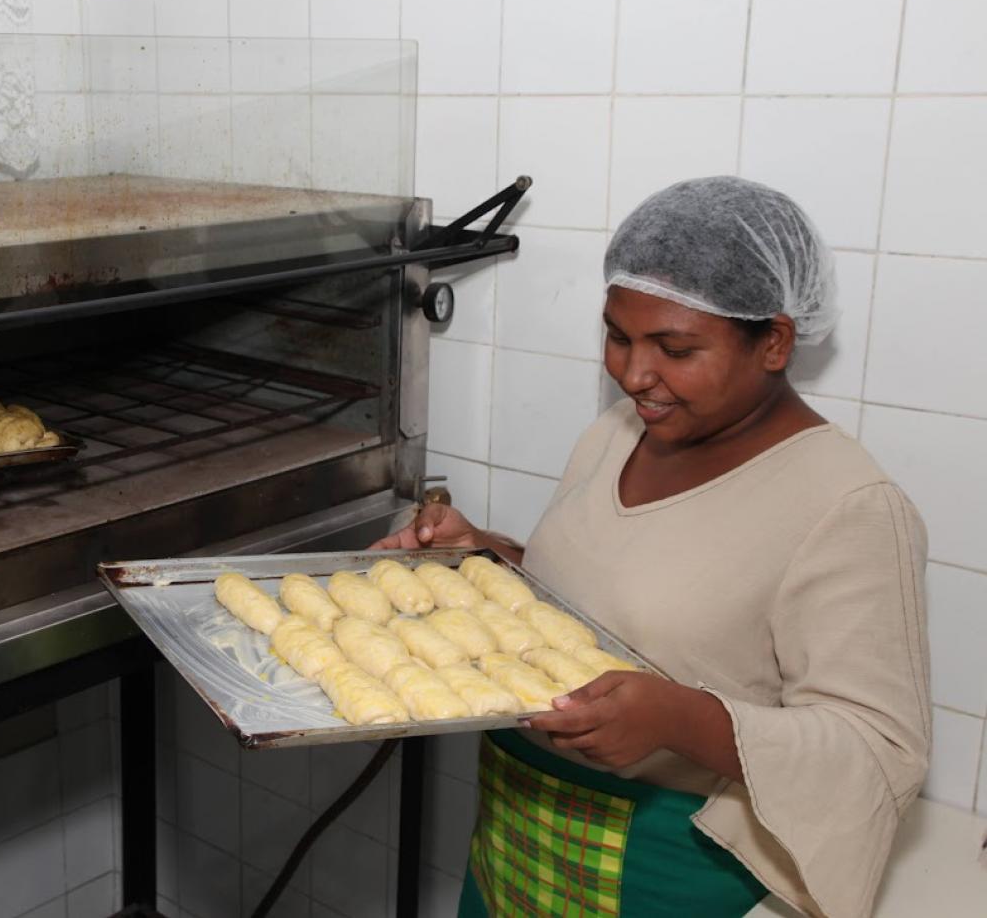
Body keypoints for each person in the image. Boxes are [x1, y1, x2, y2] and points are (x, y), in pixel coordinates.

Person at [374, 176, 929, 918]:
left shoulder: (847, 506)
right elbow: (586, 600)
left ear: (775, 341)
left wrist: (679, 718)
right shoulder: (619, 434)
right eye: (618, 335)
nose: (635, 374)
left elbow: (877, 755)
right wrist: (483, 557)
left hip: (667, 862)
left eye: (674, 347)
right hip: (514, 827)